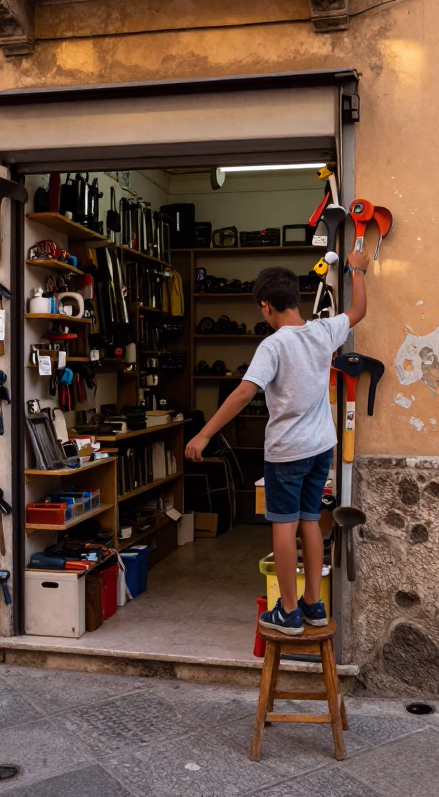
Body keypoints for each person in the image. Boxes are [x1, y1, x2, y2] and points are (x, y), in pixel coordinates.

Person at [185, 249, 370, 634]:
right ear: (295, 300)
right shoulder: (323, 331)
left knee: (284, 526)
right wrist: (358, 270)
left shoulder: (273, 345)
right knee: (311, 521)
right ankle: (314, 605)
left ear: (266, 306)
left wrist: (204, 433)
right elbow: (358, 311)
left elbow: (243, 393)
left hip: (287, 452)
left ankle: (287, 611)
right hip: (321, 448)